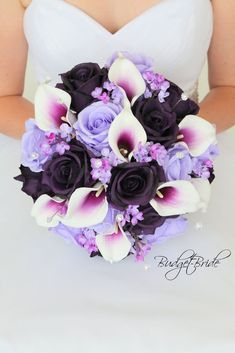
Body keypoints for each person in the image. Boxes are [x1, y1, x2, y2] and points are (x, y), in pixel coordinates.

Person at [0, 1, 234, 352]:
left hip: (187, 177)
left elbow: (229, 88)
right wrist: (72, 148)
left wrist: (167, 144)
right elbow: (4, 97)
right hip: (58, 190)